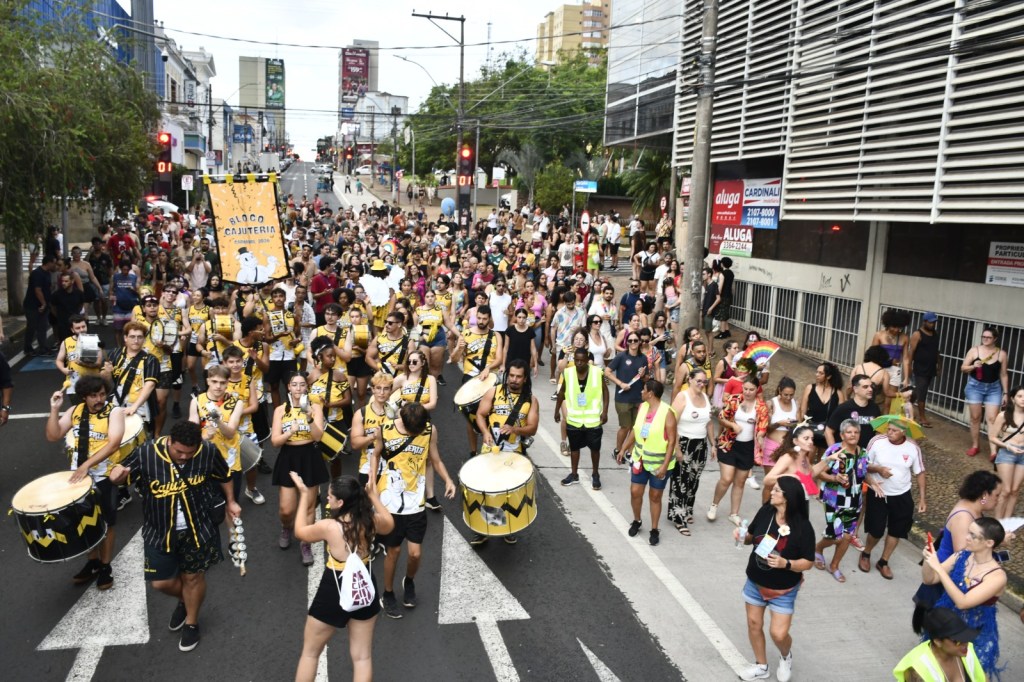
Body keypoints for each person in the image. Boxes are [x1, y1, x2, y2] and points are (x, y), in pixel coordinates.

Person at [108, 421, 240, 652]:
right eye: (179, 451)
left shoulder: (207, 451)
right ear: (169, 440)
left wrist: (231, 501)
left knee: (193, 579)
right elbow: (119, 474)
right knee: (161, 583)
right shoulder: (146, 453)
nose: (184, 457)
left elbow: (224, 475)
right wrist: (116, 475)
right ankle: (185, 601)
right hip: (159, 530)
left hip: (199, 528)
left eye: (190, 453)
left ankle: (191, 622)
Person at [291, 474, 394, 682]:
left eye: (330, 496)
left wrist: (304, 495)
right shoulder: (371, 521)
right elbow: (390, 524)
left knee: (310, 653)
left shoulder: (329, 527)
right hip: (363, 584)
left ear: (340, 502)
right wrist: (374, 497)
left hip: (335, 586)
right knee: (362, 657)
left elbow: (300, 531)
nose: (327, 499)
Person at [374, 402, 456, 619]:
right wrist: (372, 485)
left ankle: (408, 581)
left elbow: (435, 459)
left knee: (415, 553)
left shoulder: (429, 430)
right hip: (390, 501)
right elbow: (375, 455)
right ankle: (388, 593)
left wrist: (447, 479)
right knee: (393, 551)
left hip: (415, 502)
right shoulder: (385, 429)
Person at [45, 375, 126, 590]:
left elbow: (114, 444)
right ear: (83, 397)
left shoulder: (114, 412)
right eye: (93, 396)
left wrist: (86, 465)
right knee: (83, 521)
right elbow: (53, 436)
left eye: (102, 394)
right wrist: (54, 409)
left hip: (104, 476)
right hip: (79, 478)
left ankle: (106, 566)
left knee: (107, 523)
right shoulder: (74, 411)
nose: (99, 399)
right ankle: (93, 562)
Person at [735, 476, 815, 682]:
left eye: (777, 490)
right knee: (754, 624)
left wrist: (785, 564)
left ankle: (785, 656)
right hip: (755, 581)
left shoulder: (804, 527)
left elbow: (808, 562)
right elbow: (751, 537)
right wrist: (742, 536)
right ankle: (761, 666)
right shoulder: (766, 512)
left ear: (788, 498)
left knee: (778, 634)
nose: (771, 492)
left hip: (783, 590)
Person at [922, 517, 1007, 679]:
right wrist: (929, 560)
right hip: (946, 628)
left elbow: (963, 602)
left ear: (989, 543)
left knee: (970, 675)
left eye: (973, 535)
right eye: (968, 532)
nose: (967, 537)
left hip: (975, 634)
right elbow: (929, 579)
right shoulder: (961, 555)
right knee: (939, 672)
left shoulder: (997, 576)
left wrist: (939, 568)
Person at [472, 360, 540, 545]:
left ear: (525, 379)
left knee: (508, 490)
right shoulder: (494, 391)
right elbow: (480, 414)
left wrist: (516, 430)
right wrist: (485, 432)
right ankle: (485, 529)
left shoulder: (531, 400)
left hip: (514, 453)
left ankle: (507, 528)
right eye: (511, 376)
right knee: (487, 489)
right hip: (491, 449)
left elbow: (533, 428)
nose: (514, 380)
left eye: (518, 377)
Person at [271, 373, 327, 567]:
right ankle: (286, 527)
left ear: (306, 388)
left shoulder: (315, 408)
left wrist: (310, 419)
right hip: (288, 457)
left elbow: (319, 437)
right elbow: (275, 442)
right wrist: (290, 432)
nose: (298, 388)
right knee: (286, 509)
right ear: (288, 387)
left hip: (309, 457)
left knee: (309, 505)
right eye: (294, 384)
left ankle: (306, 543)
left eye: (302, 385)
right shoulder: (280, 410)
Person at [860, 423, 927, 579]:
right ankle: (866, 553)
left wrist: (922, 498)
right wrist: (879, 469)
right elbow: (863, 464)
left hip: (902, 494)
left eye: (894, 430)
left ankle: (884, 561)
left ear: (903, 432)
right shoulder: (876, 441)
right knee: (876, 530)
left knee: (896, 531)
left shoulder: (912, 447)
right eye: (888, 429)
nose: (889, 433)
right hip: (878, 492)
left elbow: (920, 472)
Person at [617, 380, 678, 547]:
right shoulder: (643, 407)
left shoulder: (668, 413)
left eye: (643, 390)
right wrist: (623, 449)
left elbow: (672, 442)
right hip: (640, 460)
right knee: (635, 492)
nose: (641, 392)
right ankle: (637, 521)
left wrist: (665, 466)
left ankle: (654, 529)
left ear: (650, 393)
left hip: (659, 463)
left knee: (655, 496)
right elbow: (636, 431)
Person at [814, 419, 870, 583]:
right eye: (849, 432)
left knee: (846, 537)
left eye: (856, 432)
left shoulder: (863, 452)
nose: (853, 435)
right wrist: (834, 477)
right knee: (836, 536)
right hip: (833, 499)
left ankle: (834, 565)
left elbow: (864, 473)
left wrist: (875, 482)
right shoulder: (835, 450)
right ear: (842, 435)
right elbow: (819, 472)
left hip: (854, 501)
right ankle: (818, 548)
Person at [710, 375, 769, 526]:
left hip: (748, 447)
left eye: (752, 389)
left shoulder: (761, 407)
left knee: (740, 482)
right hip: (729, 443)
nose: (748, 392)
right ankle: (714, 505)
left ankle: (734, 513)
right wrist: (732, 426)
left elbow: (762, 427)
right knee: (726, 478)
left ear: (757, 390)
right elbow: (721, 417)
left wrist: (761, 437)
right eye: (746, 388)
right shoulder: (734, 400)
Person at [189, 365, 244, 523]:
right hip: (205, 461)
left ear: (228, 383)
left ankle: (233, 543)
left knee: (230, 504)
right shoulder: (197, 402)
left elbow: (230, 432)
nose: (218, 386)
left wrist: (218, 421)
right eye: (214, 381)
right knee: (206, 507)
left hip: (230, 463)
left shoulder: (236, 403)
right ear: (207, 381)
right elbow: (191, 434)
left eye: (222, 382)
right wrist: (205, 436)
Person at [667, 367, 716, 536]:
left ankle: (687, 509)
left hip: (700, 444)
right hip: (684, 442)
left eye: (704, 381)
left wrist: (713, 444)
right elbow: (671, 423)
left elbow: (709, 423)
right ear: (690, 380)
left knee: (694, 480)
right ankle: (678, 517)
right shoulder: (682, 397)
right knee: (680, 480)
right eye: (699, 381)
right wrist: (676, 448)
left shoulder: (705, 397)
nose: (702, 384)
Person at [452, 305, 504, 457]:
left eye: (484, 319)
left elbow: (499, 358)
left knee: (489, 415)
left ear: (489, 319)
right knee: (471, 418)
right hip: (470, 379)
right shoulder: (466, 333)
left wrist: (488, 368)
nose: (481, 321)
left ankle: (486, 448)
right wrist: (458, 349)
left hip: (490, 380)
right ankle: (473, 451)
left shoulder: (496, 336)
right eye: (479, 318)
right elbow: (454, 360)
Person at [555, 348, 608, 489]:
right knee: (574, 449)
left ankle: (595, 474)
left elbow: (605, 391)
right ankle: (574, 474)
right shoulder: (569, 372)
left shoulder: (597, 372)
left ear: (587, 361)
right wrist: (557, 411)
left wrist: (605, 412)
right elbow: (562, 393)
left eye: (582, 360)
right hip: (574, 419)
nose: (578, 363)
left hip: (593, 420)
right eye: (576, 360)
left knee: (595, 449)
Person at [893, 607, 986, 682]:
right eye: (957, 641)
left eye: (965, 637)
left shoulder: (967, 651)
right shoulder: (918, 669)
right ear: (938, 641)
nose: (964, 643)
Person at [961, 327, 1009, 460]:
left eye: (988, 337)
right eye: (983, 337)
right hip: (975, 387)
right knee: (975, 417)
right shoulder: (974, 350)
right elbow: (963, 368)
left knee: (992, 419)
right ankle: (975, 445)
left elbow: (1004, 374)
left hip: (994, 388)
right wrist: (973, 366)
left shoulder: (1001, 354)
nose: (985, 339)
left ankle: (993, 451)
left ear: (995, 339)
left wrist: (1006, 393)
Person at [604, 331, 649, 460]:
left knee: (635, 427)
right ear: (627, 343)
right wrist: (620, 383)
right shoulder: (621, 356)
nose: (633, 343)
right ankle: (618, 450)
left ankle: (630, 451)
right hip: (623, 398)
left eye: (635, 340)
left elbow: (646, 379)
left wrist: (643, 375)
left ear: (640, 342)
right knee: (625, 426)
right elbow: (607, 371)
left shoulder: (643, 358)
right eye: (630, 341)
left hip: (638, 398)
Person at [754, 378, 801, 491]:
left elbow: (800, 425)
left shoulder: (796, 404)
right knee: (770, 484)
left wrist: (794, 424)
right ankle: (766, 508)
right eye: (786, 395)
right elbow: (765, 428)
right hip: (772, 446)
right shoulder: (771, 404)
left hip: (789, 447)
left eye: (791, 395)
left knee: (785, 485)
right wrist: (779, 423)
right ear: (779, 391)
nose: (788, 398)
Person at [762, 426, 831, 500]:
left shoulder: (805, 458)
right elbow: (767, 480)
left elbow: (811, 473)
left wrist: (829, 459)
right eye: (806, 438)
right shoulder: (788, 457)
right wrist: (790, 477)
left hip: (799, 504)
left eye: (812, 439)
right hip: (785, 504)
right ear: (795, 441)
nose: (811, 442)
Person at [991, 385, 1024, 518]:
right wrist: (1007, 446)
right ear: (1013, 398)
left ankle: (1008, 522)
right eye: (1020, 396)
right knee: (1006, 490)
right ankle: (998, 522)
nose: (1023, 399)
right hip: (1007, 453)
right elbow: (992, 437)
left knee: (1015, 490)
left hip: (1023, 454)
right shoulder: (1003, 415)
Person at [870, 309, 912, 412]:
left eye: (900, 327)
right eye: (894, 326)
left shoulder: (904, 338)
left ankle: (885, 425)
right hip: (879, 369)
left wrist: (906, 378)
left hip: (894, 371)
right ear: (888, 324)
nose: (897, 330)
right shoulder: (879, 335)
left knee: (889, 402)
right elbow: (872, 355)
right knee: (873, 396)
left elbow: (906, 359)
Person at [826, 374, 881, 450]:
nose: (870, 389)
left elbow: (878, 432)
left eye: (871, 386)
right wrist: (834, 451)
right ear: (855, 389)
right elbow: (828, 431)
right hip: (845, 456)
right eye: (865, 387)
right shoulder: (844, 408)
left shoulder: (875, 408)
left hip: (865, 455)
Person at [56, 314, 104, 399]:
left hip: (93, 383)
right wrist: (63, 369)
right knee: (77, 410)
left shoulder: (95, 340)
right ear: (72, 330)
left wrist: (83, 364)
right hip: (74, 384)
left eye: (83, 326)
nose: (82, 330)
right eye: (78, 328)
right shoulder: (66, 342)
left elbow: (99, 363)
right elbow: (59, 360)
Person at [908, 313, 942, 427]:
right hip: (920, 368)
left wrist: (939, 366)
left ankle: (906, 403)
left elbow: (937, 351)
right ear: (924, 322)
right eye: (930, 322)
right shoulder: (917, 334)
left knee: (918, 391)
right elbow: (911, 351)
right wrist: (909, 367)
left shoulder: (935, 334)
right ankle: (922, 418)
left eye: (934, 322)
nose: (932, 324)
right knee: (922, 393)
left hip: (931, 368)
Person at [800, 362, 843, 451]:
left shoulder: (838, 393)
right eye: (817, 372)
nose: (817, 375)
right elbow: (802, 410)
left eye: (821, 373)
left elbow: (841, 417)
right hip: (811, 430)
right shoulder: (810, 388)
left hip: (828, 433)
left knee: (824, 461)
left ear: (828, 376)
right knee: (808, 458)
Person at [24, 255, 58, 356]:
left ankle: (43, 347)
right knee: (32, 326)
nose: (55, 265)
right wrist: (43, 303)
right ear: (49, 263)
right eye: (54, 263)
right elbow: (37, 290)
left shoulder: (47, 273)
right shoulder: (37, 273)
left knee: (42, 327)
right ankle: (28, 348)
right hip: (32, 305)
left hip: (44, 305)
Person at [713, 256, 734, 340]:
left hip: (723, 296)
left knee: (722, 315)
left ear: (722, 264)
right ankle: (727, 331)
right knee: (725, 314)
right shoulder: (731, 273)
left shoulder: (723, 274)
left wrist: (717, 295)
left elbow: (720, 287)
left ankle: (722, 333)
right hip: (729, 295)